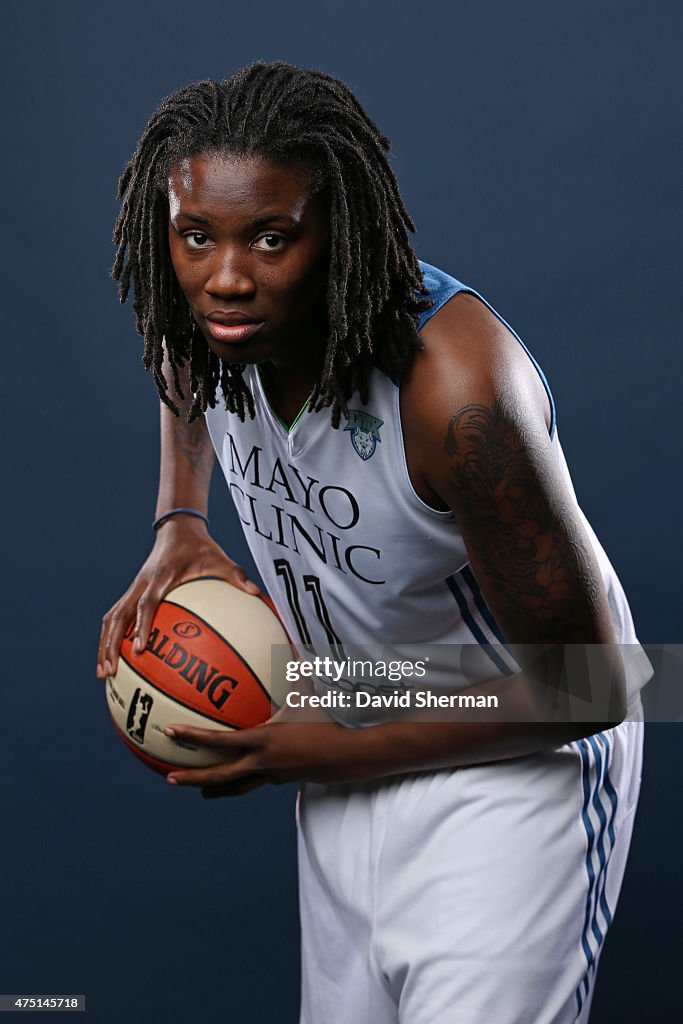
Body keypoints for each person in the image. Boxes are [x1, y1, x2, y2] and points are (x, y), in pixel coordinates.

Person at [97, 61, 648, 1023]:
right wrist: (181, 518)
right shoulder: (211, 310)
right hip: (343, 713)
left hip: (509, 767)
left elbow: (598, 683)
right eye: (196, 237)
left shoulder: (456, 392)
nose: (225, 277)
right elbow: (181, 348)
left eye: (272, 238)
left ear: (336, 233)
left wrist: (334, 742)